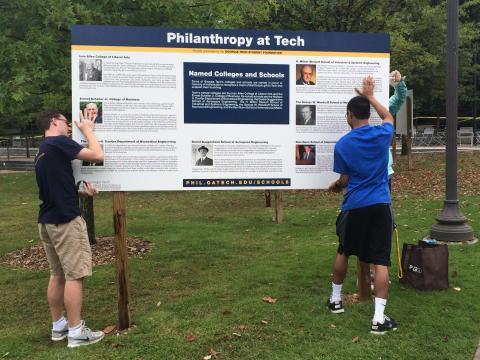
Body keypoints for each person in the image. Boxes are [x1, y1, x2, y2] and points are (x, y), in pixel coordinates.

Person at [327, 76, 397, 334]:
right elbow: (389, 117)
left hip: (354, 204)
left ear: (349, 115)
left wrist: (335, 186)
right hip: (380, 204)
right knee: (380, 260)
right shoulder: (382, 133)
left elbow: (345, 180)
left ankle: (335, 300)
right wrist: (370, 95)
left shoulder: (343, 144)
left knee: (344, 250)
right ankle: (378, 319)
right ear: (367, 112)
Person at [35, 109, 105, 348]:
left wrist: (79, 191)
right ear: (54, 122)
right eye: (66, 122)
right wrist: (87, 131)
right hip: (65, 221)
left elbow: (55, 186)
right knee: (75, 275)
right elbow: (97, 154)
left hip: (47, 220)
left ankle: (59, 326)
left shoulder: (44, 150)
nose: (69, 127)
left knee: (57, 274)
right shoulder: (58, 142)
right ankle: (76, 332)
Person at [387, 70, 408, 189]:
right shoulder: (356, 106)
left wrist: (399, 83)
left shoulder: (385, 106)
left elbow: (400, 97)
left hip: (383, 172)